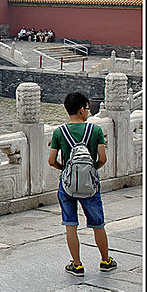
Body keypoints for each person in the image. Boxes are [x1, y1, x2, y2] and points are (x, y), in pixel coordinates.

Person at [48, 92, 115, 276]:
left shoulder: (59, 132)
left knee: (70, 224)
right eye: (87, 108)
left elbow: (51, 160)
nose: (88, 111)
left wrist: (65, 169)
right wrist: (92, 169)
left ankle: (77, 264)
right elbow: (103, 158)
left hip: (67, 185)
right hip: (90, 185)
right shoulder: (95, 131)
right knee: (98, 224)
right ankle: (105, 260)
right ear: (80, 110)